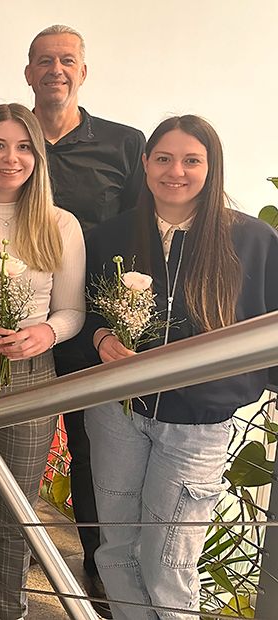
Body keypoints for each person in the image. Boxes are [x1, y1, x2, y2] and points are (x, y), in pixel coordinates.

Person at [84, 115, 278, 620]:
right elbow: (84, 314)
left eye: (192, 160)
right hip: (117, 416)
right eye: (164, 158)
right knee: (116, 552)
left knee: (168, 565)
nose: (176, 171)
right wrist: (102, 337)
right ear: (145, 164)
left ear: (211, 168)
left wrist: (230, 386)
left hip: (197, 428)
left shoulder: (252, 240)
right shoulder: (111, 234)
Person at [17, 26, 147, 616]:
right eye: (45, 61)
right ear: (28, 73)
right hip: (18, 328)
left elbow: (140, 236)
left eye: (67, 60)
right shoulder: (12, 139)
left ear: (83, 72)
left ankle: (101, 583)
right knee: (11, 454)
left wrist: (123, 322)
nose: (56, 70)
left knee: (98, 463)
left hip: (97, 333)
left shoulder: (124, 145)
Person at [0, 103, 85, 620]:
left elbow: (73, 310)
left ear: (37, 155)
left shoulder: (60, 224)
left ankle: (8, 609)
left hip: (33, 379)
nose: (10, 158)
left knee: (16, 510)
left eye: (22, 147)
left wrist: (45, 332)